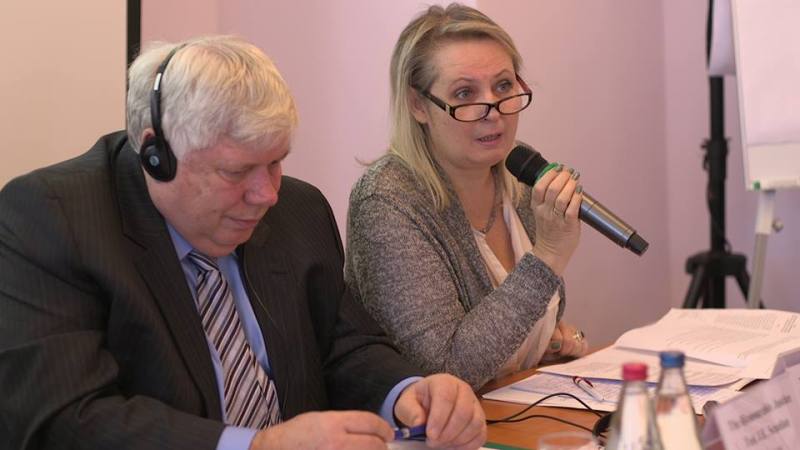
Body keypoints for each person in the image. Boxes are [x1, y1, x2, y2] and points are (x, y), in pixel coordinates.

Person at [0, 36, 486, 450]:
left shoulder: (297, 209)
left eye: (276, 162)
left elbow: (343, 345)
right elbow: (62, 419)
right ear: (156, 155)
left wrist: (407, 392)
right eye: (236, 171)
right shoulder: (52, 218)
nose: (266, 194)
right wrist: (257, 446)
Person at [345, 4, 589, 390]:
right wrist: (548, 255)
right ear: (418, 105)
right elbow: (444, 370)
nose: (493, 111)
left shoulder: (519, 172)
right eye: (465, 93)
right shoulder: (388, 200)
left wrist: (552, 342)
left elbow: (524, 322)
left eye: (504, 86)